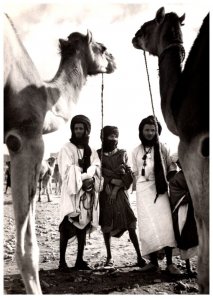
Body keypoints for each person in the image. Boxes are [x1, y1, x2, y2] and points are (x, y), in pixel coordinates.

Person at [132, 115, 181, 274]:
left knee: (165, 225)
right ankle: (153, 263)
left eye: (153, 130)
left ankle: (169, 263)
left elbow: (172, 169)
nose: (150, 133)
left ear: (157, 131)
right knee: (147, 226)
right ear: (141, 131)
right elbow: (135, 172)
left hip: (160, 190)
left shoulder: (163, 148)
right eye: (147, 130)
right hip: (142, 191)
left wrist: (170, 185)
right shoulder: (136, 151)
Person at [97, 125, 146, 268]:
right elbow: (98, 173)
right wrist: (111, 179)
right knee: (106, 224)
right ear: (103, 137)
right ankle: (109, 257)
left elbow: (128, 175)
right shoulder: (98, 154)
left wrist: (115, 187)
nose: (113, 139)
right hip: (104, 194)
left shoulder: (122, 153)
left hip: (120, 194)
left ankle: (139, 256)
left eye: (115, 136)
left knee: (130, 224)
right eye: (110, 136)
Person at [58, 114, 102, 271]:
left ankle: (79, 260)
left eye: (81, 128)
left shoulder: (91, 150)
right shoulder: (66, 148)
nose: (78, 131)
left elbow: (97, 166)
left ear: (86, 130)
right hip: (71, 193)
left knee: (83, 225)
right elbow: (66, 171)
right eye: (75, 128)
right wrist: (83, 178)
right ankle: (62, 262)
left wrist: (90, 179)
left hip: (87, 193)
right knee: (66, 225)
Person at [169, 154, 198, 275]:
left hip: (196, 210)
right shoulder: (176, 178)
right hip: (184, 210)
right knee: (186, 237)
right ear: (178, 164)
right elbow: (176, 194)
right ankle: (188, 267)